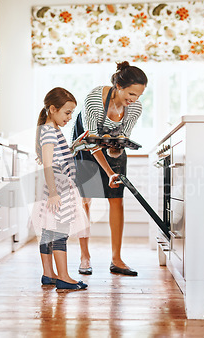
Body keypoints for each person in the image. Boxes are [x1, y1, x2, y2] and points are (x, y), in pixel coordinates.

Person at [72, 61, 148, 276]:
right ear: (118, 85)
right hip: (86, 146)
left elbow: (122, 140)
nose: (133, 100)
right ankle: (85, 257)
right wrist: (108, 172)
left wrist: (116, 149)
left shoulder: (135, 108)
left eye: (138, 96)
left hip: (111, 144)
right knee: (85, 201)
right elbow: (90, 142)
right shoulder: (95, 99)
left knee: (117, 199)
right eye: (131, 94)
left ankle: (117, 259)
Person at [30, 87, 89, 290]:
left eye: (72, 112)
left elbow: (56, 157)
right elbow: (48, 164)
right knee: (59, 232)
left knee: (48, 231)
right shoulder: (49, 132)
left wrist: (74, 147)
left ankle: (49, 274)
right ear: (53, 109)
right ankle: (63, 276)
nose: (70, 117)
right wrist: (54, 193)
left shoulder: (50, 130)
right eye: (67, 112)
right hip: (57, 188)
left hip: (55, 186)